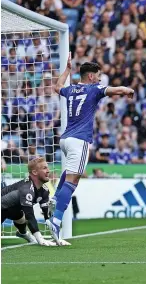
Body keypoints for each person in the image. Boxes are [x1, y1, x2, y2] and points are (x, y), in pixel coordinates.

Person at [47, 54, 134, 244]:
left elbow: (56, 87)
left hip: (65, 139)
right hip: (80, 140)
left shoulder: (70, 89)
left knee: (70, 173)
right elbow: (114, 90)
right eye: (99, 75)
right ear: (91, 77)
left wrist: (67, 70)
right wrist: (127, 90)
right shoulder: (94, 89)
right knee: (74, 180)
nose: (100, 78)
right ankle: (55, 220)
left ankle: (54, 199)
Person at [1, 157, 63, 246]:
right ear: (34, 172)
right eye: (44, 168)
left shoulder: (44, 191)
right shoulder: (26, 189)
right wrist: (40, 240)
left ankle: (23, 233)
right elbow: (30, 215)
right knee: (26, 215)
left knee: (21, 217)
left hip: (13, 210)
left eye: (47, 168)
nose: (48, 171)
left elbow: (47, 217)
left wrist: (58, 239)